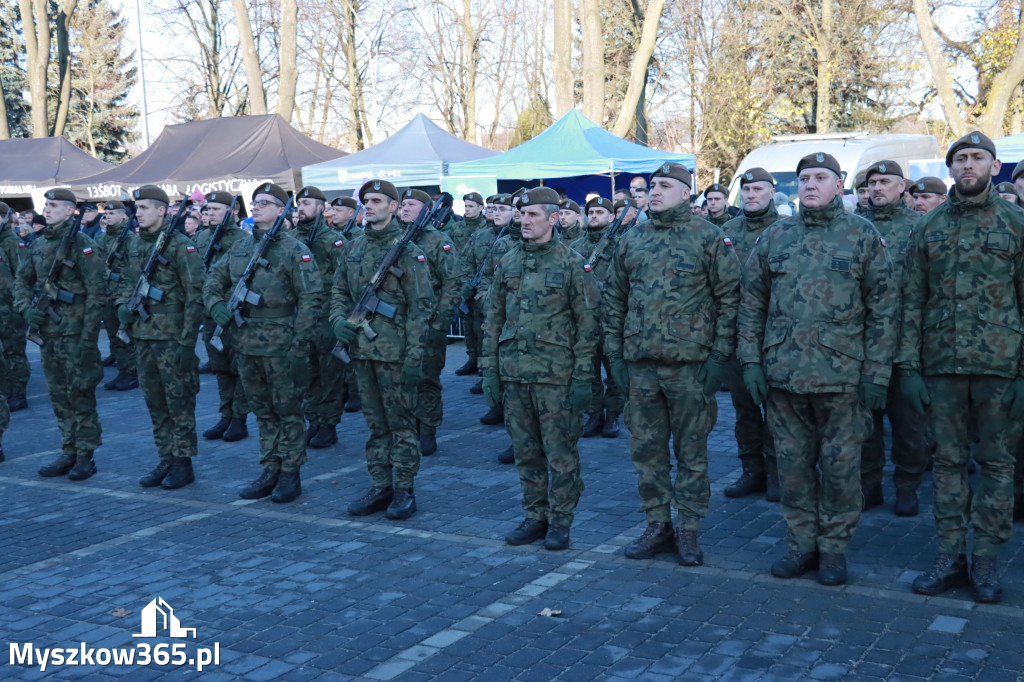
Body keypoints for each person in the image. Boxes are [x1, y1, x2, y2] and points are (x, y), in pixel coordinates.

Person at [738, 152, 896, 586]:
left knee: (842, 469)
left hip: (843, 378)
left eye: (820, 178)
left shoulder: (861, 235)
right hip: (784, 375)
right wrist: (751, 361)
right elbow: (751, 304)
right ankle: (801, 544)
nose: (810, 185)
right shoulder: (775, 237)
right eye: (804, 178)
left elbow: (884, 310)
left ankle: (834, 548)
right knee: (792, 468)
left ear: (839, 184)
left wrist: (877, 374)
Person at [900, 132, 1024, 604]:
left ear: (995, 168)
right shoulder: (929, 226)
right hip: (941, 367)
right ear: (951, 168)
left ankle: (986, 557)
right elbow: (912, 301)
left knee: (996, 466)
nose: (968, 165)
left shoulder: (1016, 223)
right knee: (948, 464)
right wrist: (908, 368)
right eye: (960, 159)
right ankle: (950, 555)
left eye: (977, 158)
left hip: (1000, 369)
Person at [604, 162, 741, 566]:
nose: (655, 192)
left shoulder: (709, 238)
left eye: (665, 186)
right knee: (646, 452)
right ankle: (657, 524)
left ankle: (689, 529)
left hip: (690, 368)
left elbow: (730, 299)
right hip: (642, 367)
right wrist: (614, 355)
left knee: (692, 453)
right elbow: (614, 300)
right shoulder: (633, 240)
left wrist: (718, 358)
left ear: (686, 193)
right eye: (652, 186)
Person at [482, 186, 600, 550]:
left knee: (560, 453)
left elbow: (588, 325)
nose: (524, 220)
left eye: (532, 214)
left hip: (556, 378)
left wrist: (583, 378)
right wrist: (489, 369)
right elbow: (492, 319)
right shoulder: (509, 261)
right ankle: (535, 515)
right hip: (515, 374)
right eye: (522, 214)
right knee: (526, 452)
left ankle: (561, 520)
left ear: (553, 219)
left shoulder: (571, 263)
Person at [205, 183, 323, 503]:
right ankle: (270, 468)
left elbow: (312, 299)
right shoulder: (240, 248)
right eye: (254, 203)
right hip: (245, 343)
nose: (255, 208)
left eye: (264, 203)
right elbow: (212, 280)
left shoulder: (294, 249)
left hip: (281, 344)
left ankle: (290, 473)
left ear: (280, 210)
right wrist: (216, 305)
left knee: (287, 412)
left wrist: (300, 344)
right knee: (263, 412)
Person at [331, 180, 433, 520]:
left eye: (377, 200)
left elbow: (421, 307)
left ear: (393, 206)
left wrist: (415, 356)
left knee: (401, 425)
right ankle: (381, 484)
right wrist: (337, 321)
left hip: (396, 353)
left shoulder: (408, 250)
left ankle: (404, 488)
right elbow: (339, 293)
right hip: (362, 351)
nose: (369, 205)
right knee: (376, 425)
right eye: (366, 201)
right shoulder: (352, 247)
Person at [115, 186, 204, 489]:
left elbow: (195, 295)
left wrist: (187, 342)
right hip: (143, 336)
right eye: (136, 208)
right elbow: (127, 284)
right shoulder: (136, 244)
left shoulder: (181, 246)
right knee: (155, 403)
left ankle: (183, 462)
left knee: (178, 403)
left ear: (162, 211)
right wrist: (122, 307)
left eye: (143, 208)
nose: (137, 213)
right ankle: (166, 457)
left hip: (172, 339)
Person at [14, 188, 106, 480]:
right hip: (48, 334)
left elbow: (96, 294)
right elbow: (22, 281)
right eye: (46, 204)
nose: (47, 209)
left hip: (76, 335)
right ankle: (68, 450)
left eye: (54, 205)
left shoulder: (84, 245)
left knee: (80, 394)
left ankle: (85, 456)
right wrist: (25, 308)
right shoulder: (38, 245)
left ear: (70, 211)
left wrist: (88, 340)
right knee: (58, 396)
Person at [859, 160, 931, 516]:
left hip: (907, 346)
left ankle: (907, 486)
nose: (877, 188)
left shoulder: (921, 227)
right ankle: (869, 486)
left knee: (909, 426)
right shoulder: (854, 227)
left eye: (885, 181)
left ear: (903, 187)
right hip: (863, 345)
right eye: (872, 182)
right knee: (864, 426)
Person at [720, 168, 781, 501]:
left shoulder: (786, 229)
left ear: (772, 192)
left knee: (775, 409)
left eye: (758, 189)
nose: (751, 195)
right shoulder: (727, 231)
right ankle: (751, 470)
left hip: (773, 335)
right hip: (734, 335)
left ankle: (775, 472)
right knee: (743, 408)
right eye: (746, 190)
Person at [397, 188, 460, 456]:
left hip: (427, 322)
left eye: (412, 204)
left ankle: (428, 427)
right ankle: (407, 424)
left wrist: (440, 322)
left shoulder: (438, 241)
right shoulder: (395, 238)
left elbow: (452, 283)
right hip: (397, 322)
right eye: (403, 204)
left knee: (427, 378)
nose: (406, 209)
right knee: (401, 377)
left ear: (426, 209)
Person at [288, 186, 347, 450]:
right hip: (300, 317)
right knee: (307, 373)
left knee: (329, 373)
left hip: (325, 317)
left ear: (321, 209)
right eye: (299, 203)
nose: (301, 207)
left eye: (307, 203)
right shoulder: (289, 239)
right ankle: (313, 420)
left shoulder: (334, 241)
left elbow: (345, 281)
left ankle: (329, 424)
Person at [194, 192, 251, 443]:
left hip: (234, 315)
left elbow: (244, 279)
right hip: (209, 313)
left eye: (217, 209)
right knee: (220, 368)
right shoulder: (201, 236)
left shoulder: (243, 240)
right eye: (208, 209)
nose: (211, 213)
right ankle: (226, 415)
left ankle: (239, 419)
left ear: (233, 210)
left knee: (238, 368)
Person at [569, 196, 623, 439]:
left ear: (612, 217)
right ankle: (594, 414)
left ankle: (612, 415)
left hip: (613, 322)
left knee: (614, 372)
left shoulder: (622, 246)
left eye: (600, 212)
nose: (594, 216)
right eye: (591, 212)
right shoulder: (576, 248)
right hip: (585, 322)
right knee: (588, 370)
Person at [94, 200, 139, 392]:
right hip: (106, 293)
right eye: (106, 214)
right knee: (113, 335)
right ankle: (123, 369)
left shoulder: (130, 239)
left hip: (123, 293)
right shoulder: (101, 239)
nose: (108, 217)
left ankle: (131, 372)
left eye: (112, 214)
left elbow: (134, 269)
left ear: (124, 216)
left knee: (125, 334)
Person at [326, 196, 363, 413]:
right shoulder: (331, 236)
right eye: (333, 209)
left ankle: (354, 390)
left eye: (339, 210)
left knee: (349, 346)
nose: (334, 213)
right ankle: (341, 389)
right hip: (335, 300)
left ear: (352, 213)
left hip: (352, 300)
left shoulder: (358, 237)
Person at [0, 201, 30, 411]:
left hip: (10, 310)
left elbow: (23, 278)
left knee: (14, 352)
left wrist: (20, 305)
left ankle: (18, 394)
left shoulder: (13, 242)